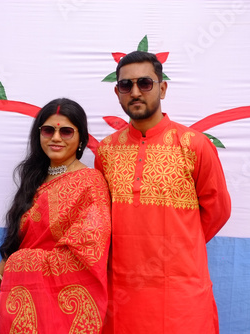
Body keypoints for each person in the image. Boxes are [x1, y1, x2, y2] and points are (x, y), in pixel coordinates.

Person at [94, 51, 231, 333]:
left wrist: (180, 245)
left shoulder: (194, 145)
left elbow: (217, 209)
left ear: (162, 88)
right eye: (125, 85)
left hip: (181, 288)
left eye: (145, 83)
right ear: (117, 92)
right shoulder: (106, 151)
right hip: (123, 289)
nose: (135, 92)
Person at [0, 98, 111, 334]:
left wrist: (22, 262)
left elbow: (88, 252)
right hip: (17, 297)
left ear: (81, 138)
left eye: (66, 131)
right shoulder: (34, 180)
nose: (56, 138)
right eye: (48, 130)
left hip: (59, 305)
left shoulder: (90, 182)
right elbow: (21, 241)